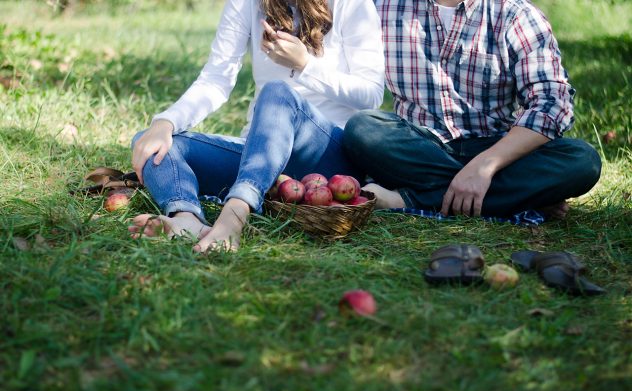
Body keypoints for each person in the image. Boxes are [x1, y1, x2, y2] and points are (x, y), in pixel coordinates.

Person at [128, 0, 384, 251]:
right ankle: (187, 219)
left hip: (328, 156)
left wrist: (305, 65)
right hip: (262, 156)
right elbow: (216, 78)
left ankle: (235, 214)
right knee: (152, 143)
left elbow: (371, 94)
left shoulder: (352, 4)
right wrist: (166, 122)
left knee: (277, 93)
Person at [342, 0, 601, 219]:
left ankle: (407, 200)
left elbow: (553, 103)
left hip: (497, 149)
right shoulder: (381, 7)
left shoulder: (516, 14)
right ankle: (516, 196)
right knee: (362, 128)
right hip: (419, 147)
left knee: (582, 160)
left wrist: (484, 167)